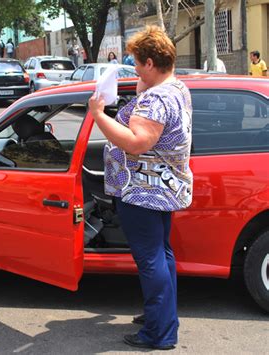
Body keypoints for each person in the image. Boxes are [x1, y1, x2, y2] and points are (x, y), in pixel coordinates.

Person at [88, 25, 193, 350]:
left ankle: (158, 333)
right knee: (161, 255)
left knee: (151, 260)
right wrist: (143, 85)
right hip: (163, 188)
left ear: (150, 63)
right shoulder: (175, 88)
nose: (133, 68)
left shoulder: (156, 101)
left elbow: (136, 143)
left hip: (144, 191)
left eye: (136, 62)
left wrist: (98, 115)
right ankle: (161, 317)